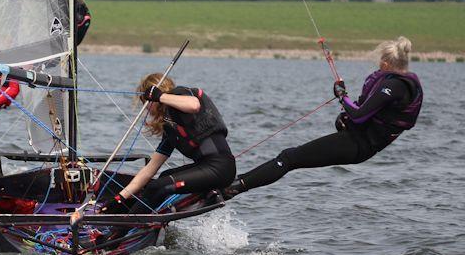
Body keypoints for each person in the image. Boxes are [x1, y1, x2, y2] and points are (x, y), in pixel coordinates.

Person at [224, 36, 423, 198]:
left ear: (386, 63)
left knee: (288, 158)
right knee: (289, 157)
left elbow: (361, 116)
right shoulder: (403, 83)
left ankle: (233, 188)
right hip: (357, 143)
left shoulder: (395, 86)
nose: (378, 67)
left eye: (380, 64)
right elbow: (368, 115)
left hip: (357, 145)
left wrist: (342, 96)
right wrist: (345, 114)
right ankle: (234, 186)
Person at [100, 73, 236, 215]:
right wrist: (120, 198)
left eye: (144, 100)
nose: (145, 107)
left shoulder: (181, 95)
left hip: (220, 168)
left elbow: (194, 105)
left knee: (157, 187)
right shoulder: (170, 128)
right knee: (164, 176)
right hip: (207, 167)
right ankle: (138, 215)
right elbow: (149, 169)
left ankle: (127, 224)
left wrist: (160, 96)